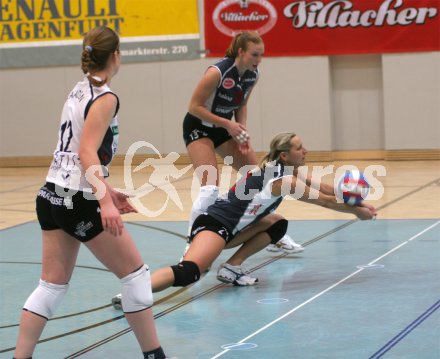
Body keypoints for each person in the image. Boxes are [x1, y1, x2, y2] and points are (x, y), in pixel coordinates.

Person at [13, 27, 169, 359]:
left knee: (51, 286)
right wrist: (102, 201)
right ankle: (155, 355)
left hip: (52, 193)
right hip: (78, 199)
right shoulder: (106, 97)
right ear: (116, 56)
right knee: (137, 277)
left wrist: (108, 191)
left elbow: (73, 153)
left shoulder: (78, 90)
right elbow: (86, 152)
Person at [118, 132, 378, 298]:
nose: (306, 151)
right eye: (300, 148)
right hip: (215, 225)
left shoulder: (284, 169)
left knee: (277, 224)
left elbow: (327, 189)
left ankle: (232, 267)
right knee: (191, 271)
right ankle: (134, 291)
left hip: (229, 228)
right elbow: (326, 203)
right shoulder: (282, 180)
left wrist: (361, 203)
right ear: (286, 155)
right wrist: (358, 213)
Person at [183, 31, 303, 255]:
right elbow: (194, 107)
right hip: (198, 128)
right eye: (254, 55)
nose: (258, 60)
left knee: (262, 178)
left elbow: (242, 104)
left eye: (261, 55)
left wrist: (242, 130)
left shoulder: (252, 74)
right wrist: (228, 125)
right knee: (210, 188)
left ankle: (273, 232)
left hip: (223, 129)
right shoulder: (217, 72)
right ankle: (192, 245)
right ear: (240, 51)